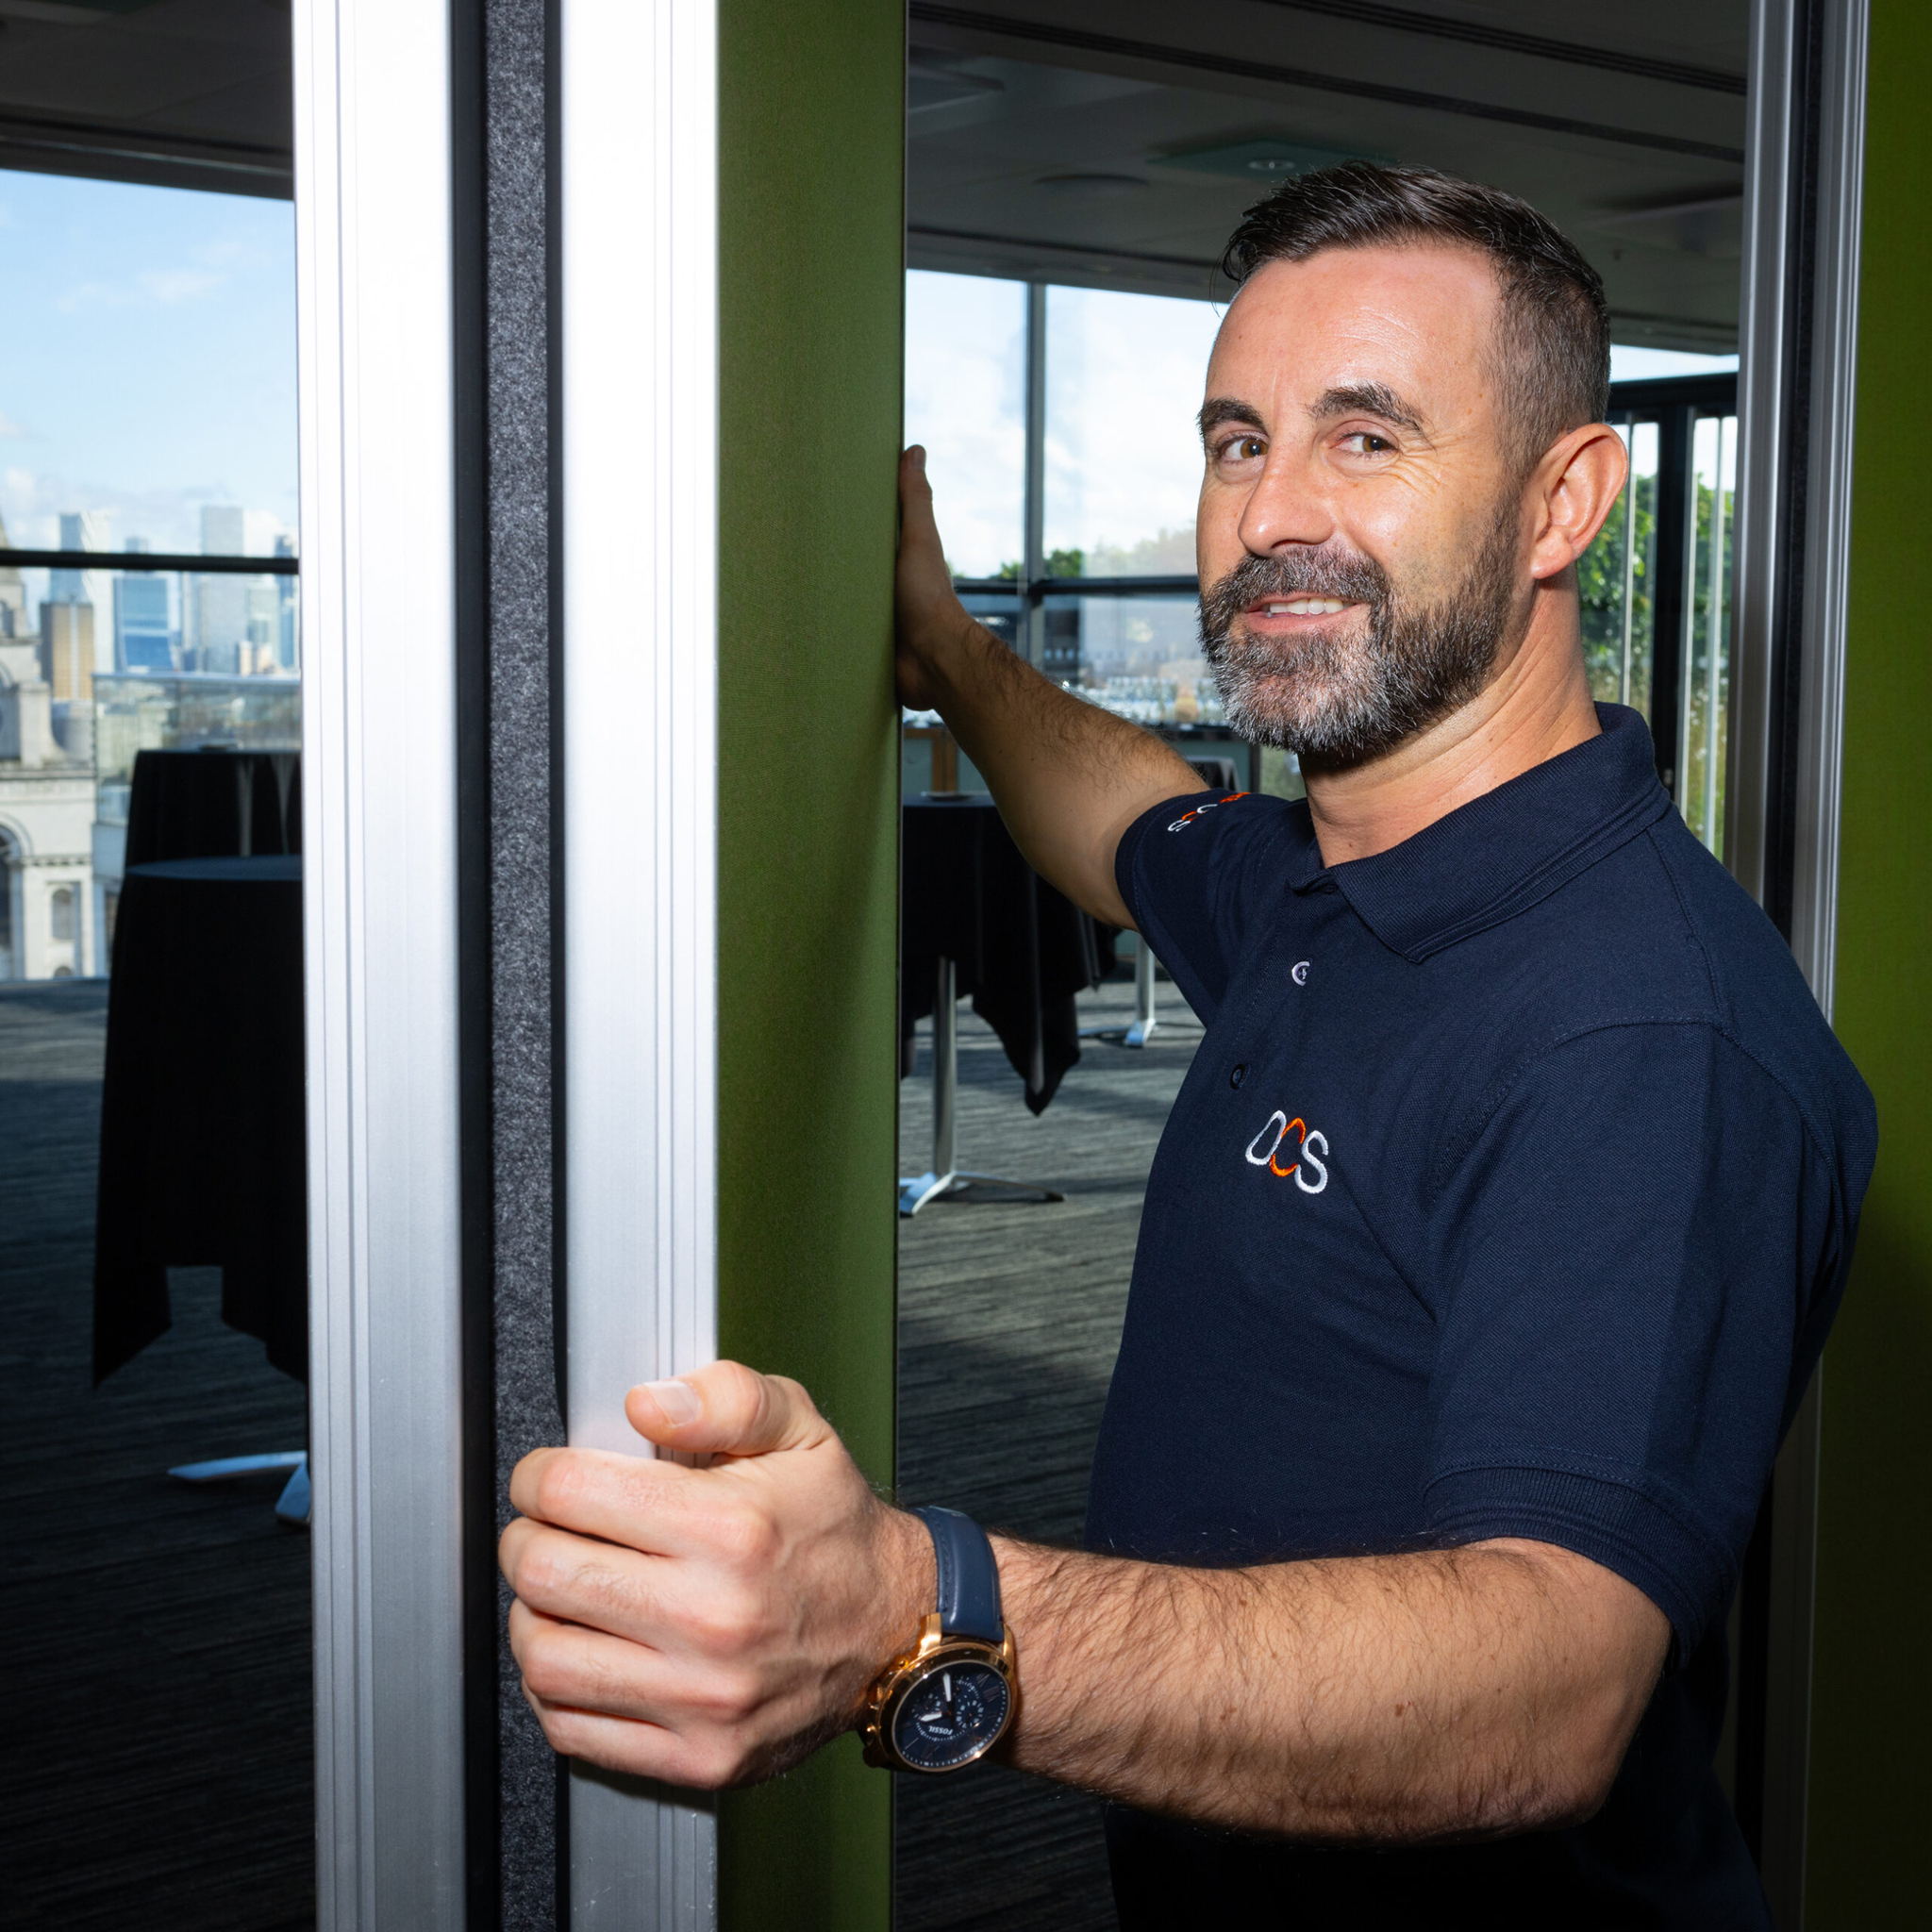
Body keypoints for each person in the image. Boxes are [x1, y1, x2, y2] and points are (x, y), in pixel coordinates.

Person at [498, 164, 1874, 1925]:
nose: (1271, 513)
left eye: (1366, 438)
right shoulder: (1320, 882)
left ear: (1564, 501)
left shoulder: (1644, 1033)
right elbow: (1128, 819)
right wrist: (945, 648)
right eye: (1238, 442)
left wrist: (917, 1615)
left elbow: (1552, 1690)